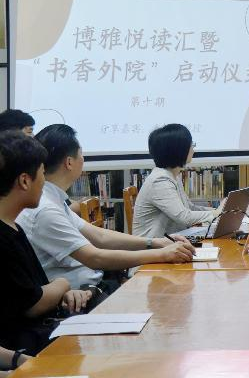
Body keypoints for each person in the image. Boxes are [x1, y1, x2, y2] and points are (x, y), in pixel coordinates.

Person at [20, 125, 195, 299]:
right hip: (82, 296)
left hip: (95, 285)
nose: (83, 159)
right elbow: (95, 258)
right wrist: (161, 253)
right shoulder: (46, 209)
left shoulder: (54, 201)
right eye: (81, 154)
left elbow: (100, 236)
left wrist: (156, 243)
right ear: (69, 162)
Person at [0, 131, 92, 354]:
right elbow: (31, 304)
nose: (44, 182)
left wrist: (62, 294)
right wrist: (63, 284)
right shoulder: (4, 236)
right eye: (42, 173)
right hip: (25, 345)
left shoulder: (13, 226)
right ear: (24, 180)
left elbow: (31, 290)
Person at [132, 124, 219, 238]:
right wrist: (216, 213)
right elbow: (184, 217)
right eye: (191, 145)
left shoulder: (173, 175)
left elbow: (189, 208)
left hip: (170, 241)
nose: (193, 149)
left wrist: (218, 211)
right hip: (154, 246)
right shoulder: (160, 181)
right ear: (179, 150)